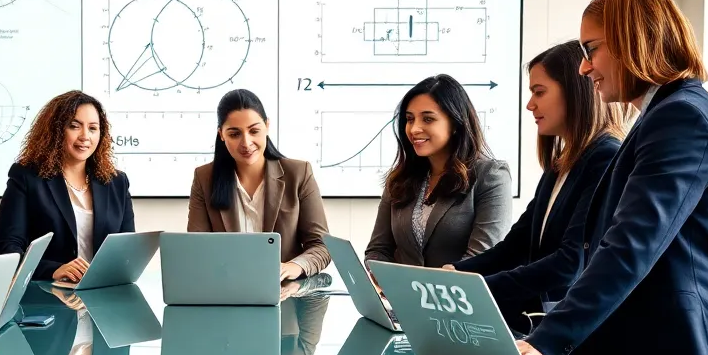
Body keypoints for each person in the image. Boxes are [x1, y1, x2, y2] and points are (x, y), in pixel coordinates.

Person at [515, 0, 708, 355]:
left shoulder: (682, 119)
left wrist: (547, 340)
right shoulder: (664, 115)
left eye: (591, 50)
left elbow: (630, 246)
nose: (584, 68)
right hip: (644, 347)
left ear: (631, 41)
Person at [452, 41, 626, 327]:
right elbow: (516, 245)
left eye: (539, 92)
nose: (530, 104)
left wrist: (477, 289)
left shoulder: (605, 158)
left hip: (571, 328)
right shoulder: (561, 163)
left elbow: (569, 263)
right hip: (538, 319)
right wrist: (456, 273)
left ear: (575, 91)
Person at [365, 74, 513, 267]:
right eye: (410, 119)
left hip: (460, 295)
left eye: (428, 119)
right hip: (401, 296)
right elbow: (378, 249)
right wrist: (378, 272)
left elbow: (481, 258)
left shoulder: (491, 175)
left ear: (455, 123)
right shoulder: (399, 179)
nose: (414, 129)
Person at [187, 89, 331, 281]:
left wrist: (293, 267)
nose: (246, 143)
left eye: (254, 131)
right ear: (221, 134)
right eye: (234, 134)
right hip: (226, 291)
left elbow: (322, 246)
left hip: (284, 295)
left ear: (267, 126)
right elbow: (196, 249)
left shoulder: (298, 173)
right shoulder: (204, 178)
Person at [0, 90, 136, 282]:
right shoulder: (27, 177)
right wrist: (53, 270)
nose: (85, 136)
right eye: (74, 126)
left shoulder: (116, 182)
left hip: (101, 296)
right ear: (56, 131)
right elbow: (7, 248)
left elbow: (128, 249)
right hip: (46, 298)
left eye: (93, 128)